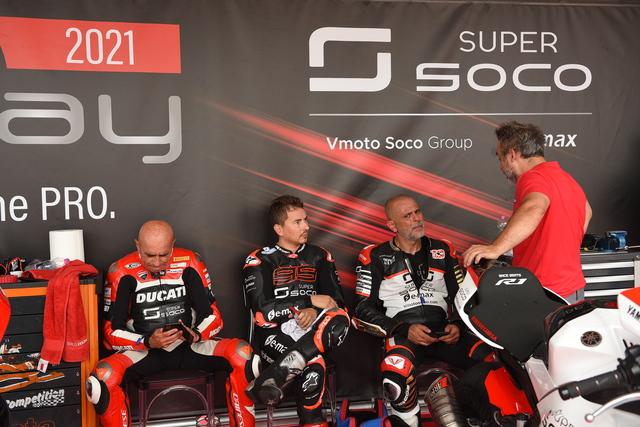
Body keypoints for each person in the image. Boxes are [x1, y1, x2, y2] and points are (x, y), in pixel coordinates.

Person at [86, 220, 258, 427]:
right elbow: (110, 333)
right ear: (138, 246)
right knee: (101, 379)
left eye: (164, 254)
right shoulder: (121, 270)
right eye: (150, 255)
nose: (157, 262)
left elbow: (213, 316)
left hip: (190, 347)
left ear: (172, 245)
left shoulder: (190, 261)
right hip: (145, 351)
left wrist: (197, 334)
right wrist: (147, 341)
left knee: (243, 355)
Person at [353, 195, 492, 427]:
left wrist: (458, 326)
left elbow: (465, 297)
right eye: (408, 216)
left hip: (445, 332)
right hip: (403, 334)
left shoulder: (443, 250)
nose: (417, 219)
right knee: (395, 372)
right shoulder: (373, 256)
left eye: (417, 212)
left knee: (493, 361)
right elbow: (361, 310)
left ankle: (482, 420)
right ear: (392, 225)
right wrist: (403, 329)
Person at [243, 195, 349, 427]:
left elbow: (337, 304)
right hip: (273, 336)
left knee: (341, 319)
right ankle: (313, 422)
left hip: (314, 331)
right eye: (298, 222)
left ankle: (272, 379)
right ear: (279, 229)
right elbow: (263, 313)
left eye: (306, 220)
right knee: (314, 364)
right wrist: (308, 301)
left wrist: (313, 312)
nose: (306, 226)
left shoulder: (320, 256)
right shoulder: (259, 259)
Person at [463, 121, 592, 303]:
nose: (500, 166)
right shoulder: (566, 178)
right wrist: (559, 244)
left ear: (512, 155)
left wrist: (496, 248)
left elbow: (534, 207)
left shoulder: (532, 177)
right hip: (572, 289)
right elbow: (587, 211)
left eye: (500, 158)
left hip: (544, 291)